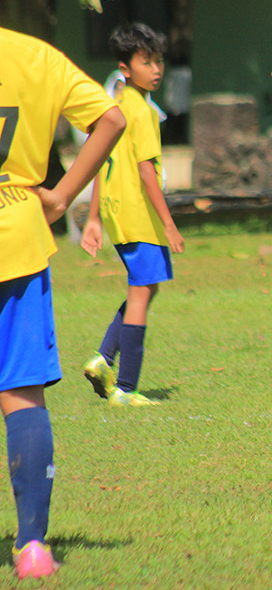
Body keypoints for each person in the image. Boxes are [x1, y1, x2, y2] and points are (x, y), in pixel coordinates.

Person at [0, 0, 127, 578]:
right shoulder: (36, 58)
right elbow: (112, 119)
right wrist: (61, 195)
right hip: (17, 239)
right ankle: (32, 547)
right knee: (21, 394)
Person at [80, 23, 184, 407]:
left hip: (117, 213)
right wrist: (169, 224)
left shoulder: (115, 108)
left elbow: (99, 162)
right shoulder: (142, 113)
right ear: (125, 68)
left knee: (145, 287)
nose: (156, 70)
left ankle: (104, 358)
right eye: (146, 62)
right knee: (140, 294)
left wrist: (94, 217)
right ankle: (125, 388)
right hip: (139, 216)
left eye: (158, 61)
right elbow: (146, 172)